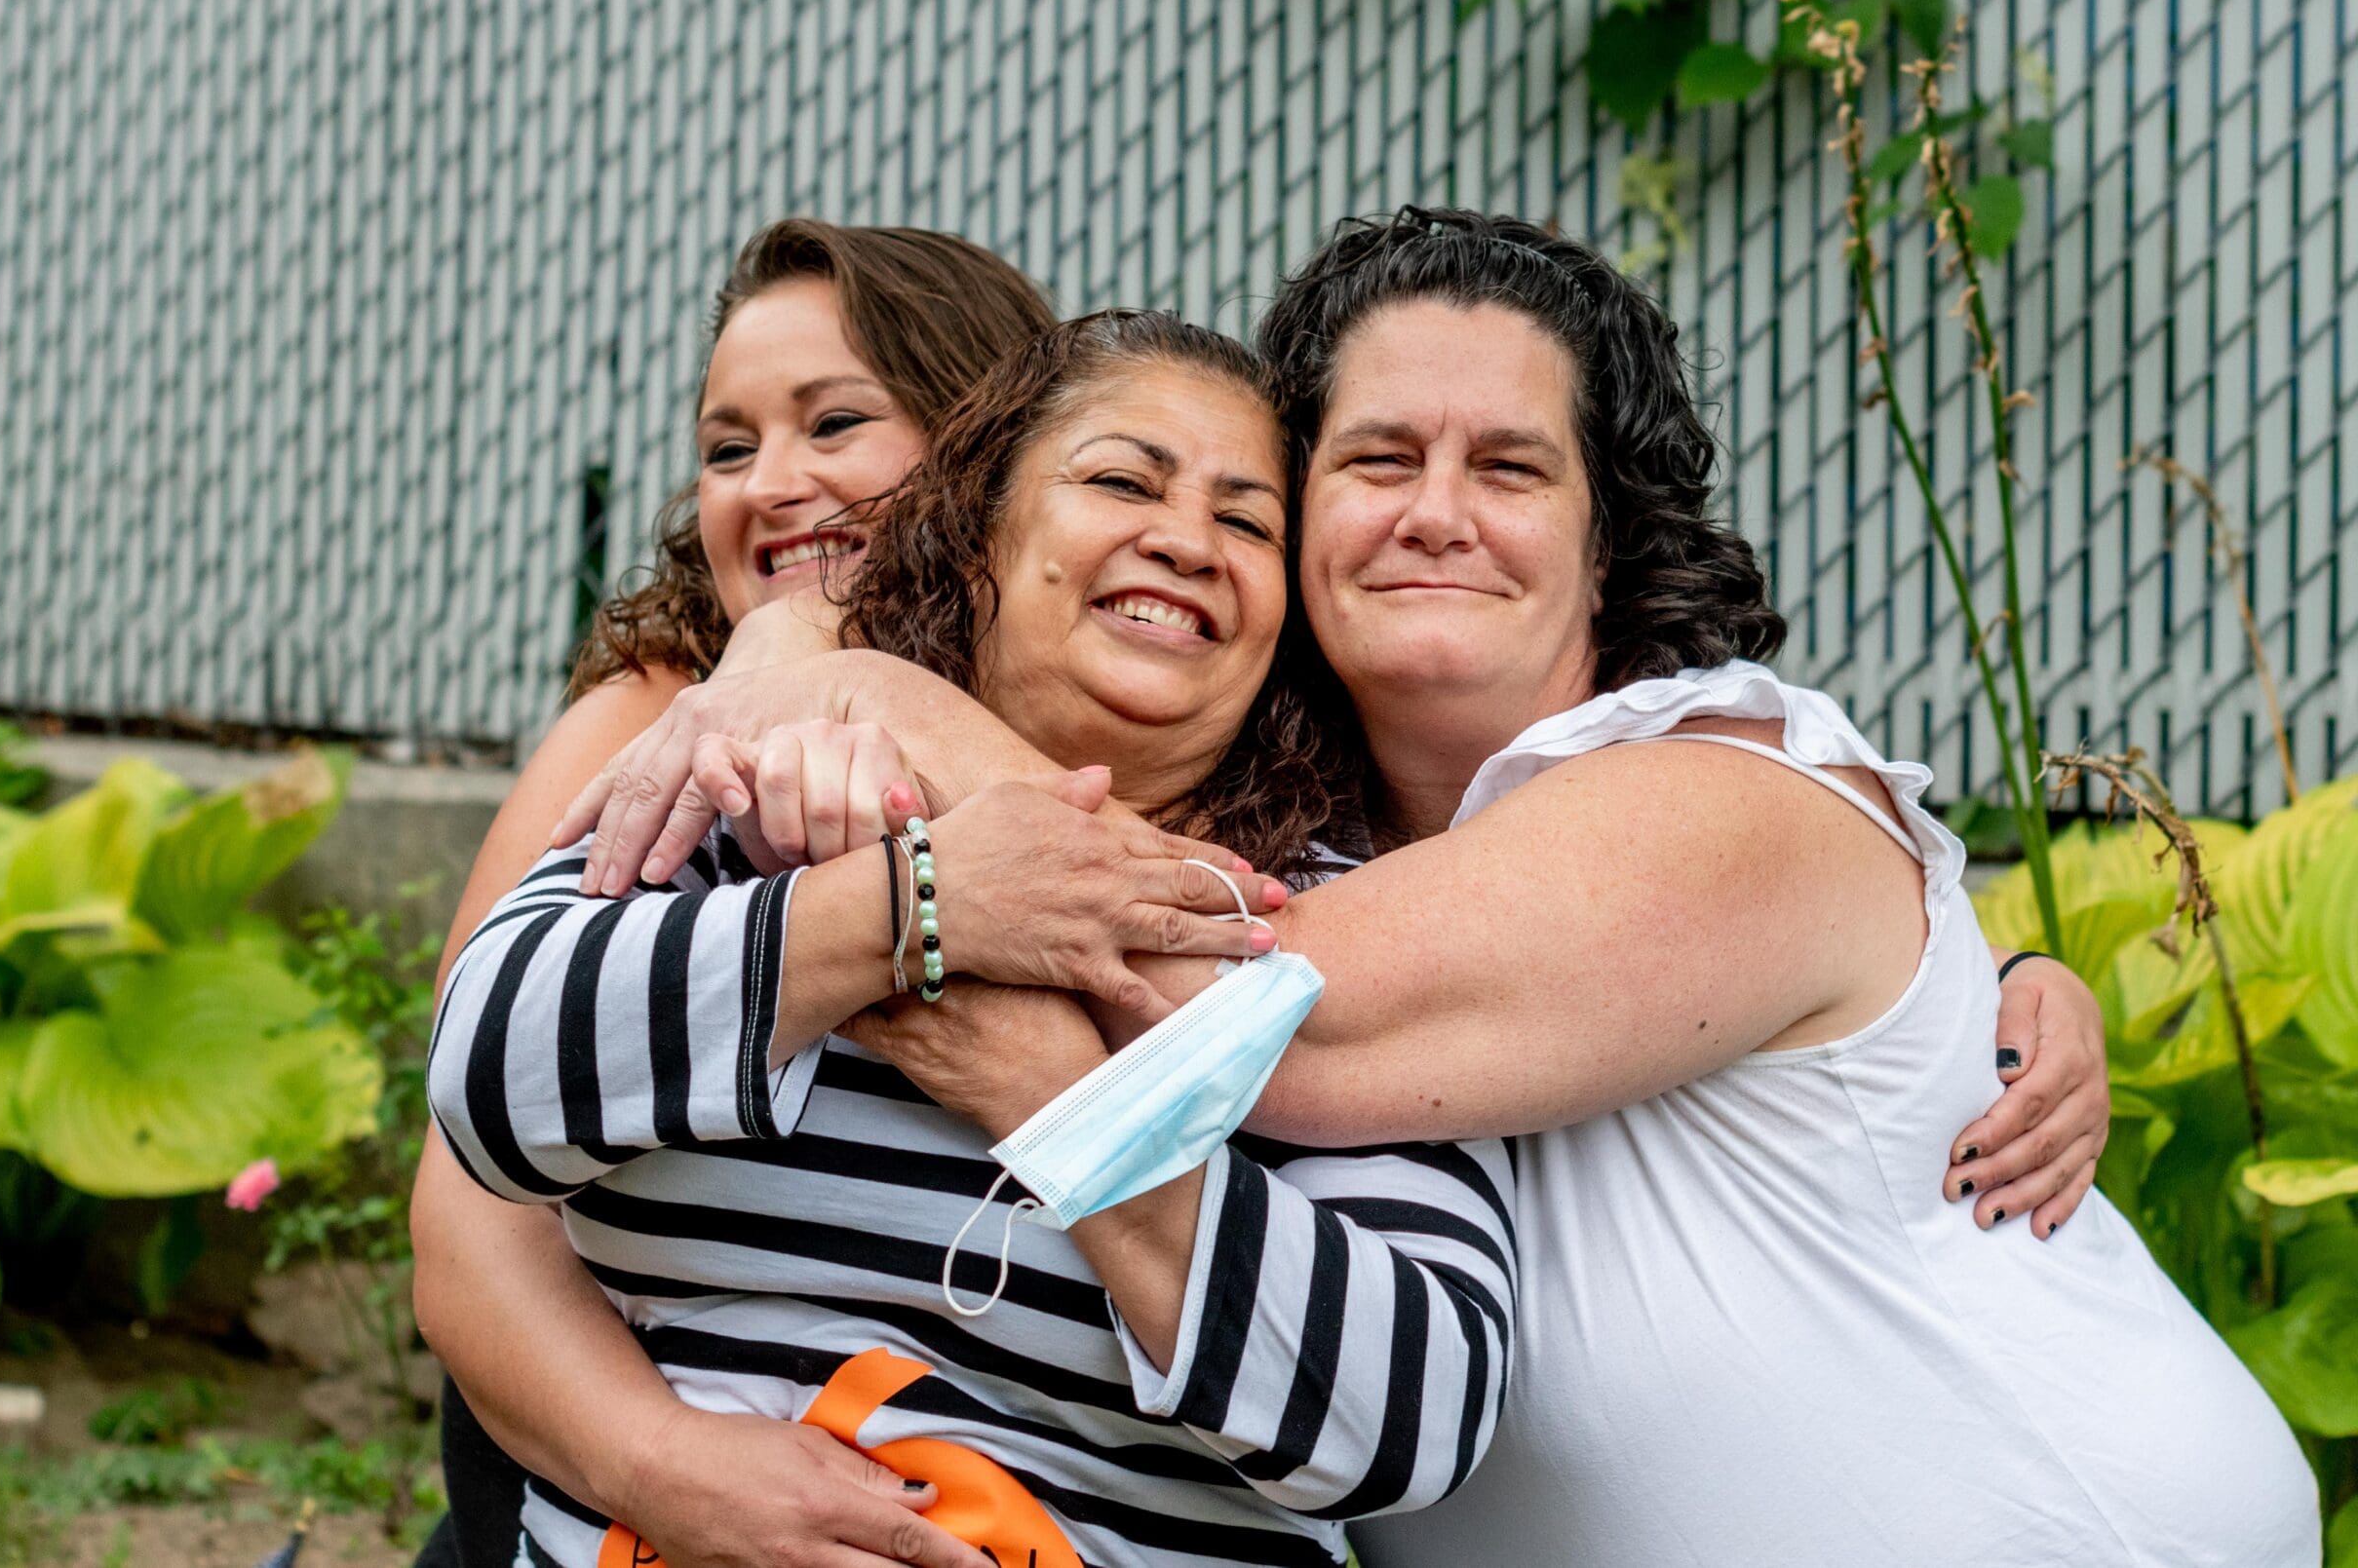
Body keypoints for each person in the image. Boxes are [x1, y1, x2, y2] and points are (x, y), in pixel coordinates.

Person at [572, 208, 2316, 1564]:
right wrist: (800, 635)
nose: (1436, 513)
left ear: (1610, 536)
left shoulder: (1725, 776)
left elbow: (1276, 1029)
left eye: (1511, 467)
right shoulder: (1331, 841)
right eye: (1377, 460)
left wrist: (854, 676)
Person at [428, 311, 1516, 1568]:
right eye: (1122, 480)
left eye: (1248, 521)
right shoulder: (778, 776)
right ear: (979, 525)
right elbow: (487, 1081)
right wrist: (906, 912)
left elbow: (1406, 1423)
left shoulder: (1317, 917)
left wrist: (1049, 1088)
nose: (1185, 540)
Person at [407, 217, 1054, 1568]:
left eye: (834, 423)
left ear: (988, 434)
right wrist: (666, 1470)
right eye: (728, 445)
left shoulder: (1077, 695)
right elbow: (468, 1197)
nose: (772, 484)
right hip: (607, 1475)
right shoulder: (656, 719)